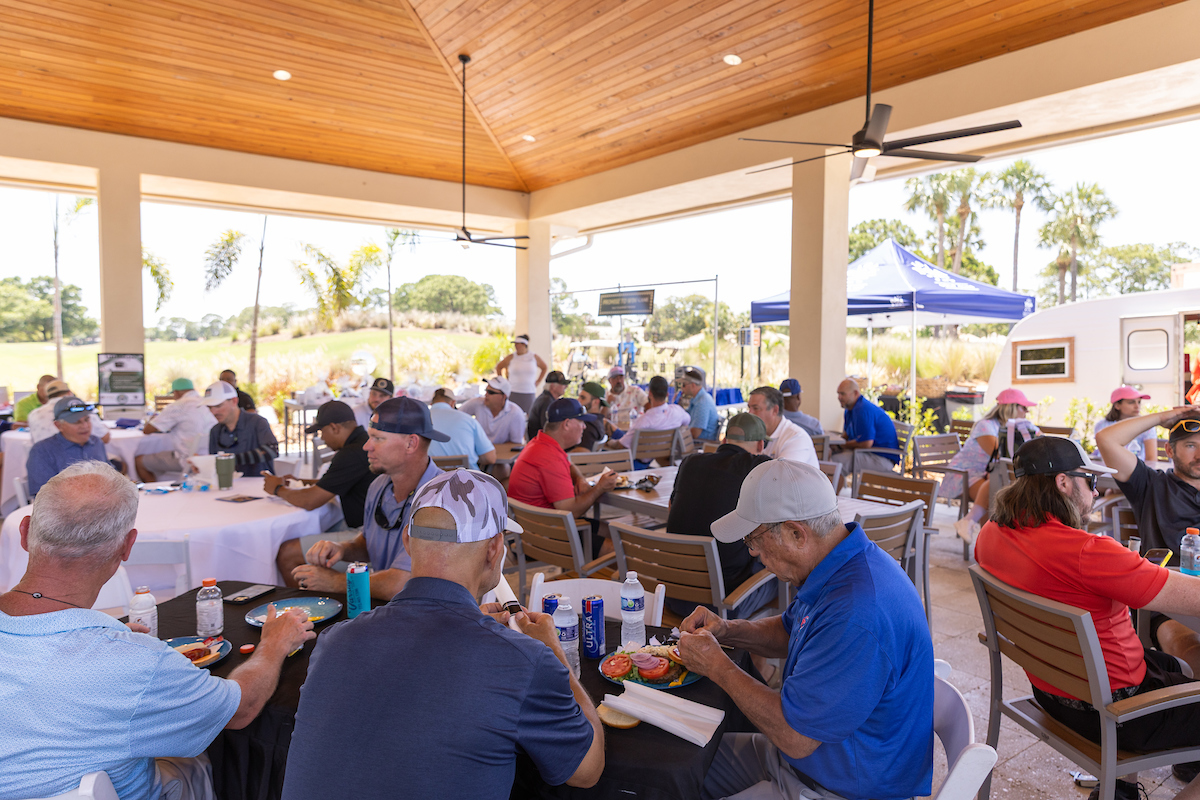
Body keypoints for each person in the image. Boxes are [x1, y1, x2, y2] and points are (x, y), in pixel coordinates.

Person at [0, 460, 314, 800]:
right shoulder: (135, 663)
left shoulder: (124, 656)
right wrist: (273, 645)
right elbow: (242, 709)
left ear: (25, 532)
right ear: (127, 546)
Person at [281, 469, 602, 800]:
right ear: (495, 548)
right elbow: (587, 771)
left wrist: (468, 624)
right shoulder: (526, 662)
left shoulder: (334, 641)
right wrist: (554, 653)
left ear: (407, 540)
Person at [679, 459, 933, 800]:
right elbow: (789, 630)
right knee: (678, 768)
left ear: (797, 534)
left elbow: (795, 737)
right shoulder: (841, 563)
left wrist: (717, 667)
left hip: (841, 787)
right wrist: (727, 629)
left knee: (680, 772)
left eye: (754, 539)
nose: (753, 553)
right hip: (807, 764)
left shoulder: (856, 612)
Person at [975, 435, 1200, 800]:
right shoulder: (1088, 553)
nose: (1096, 492)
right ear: (1063, 482)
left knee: (1177, 666)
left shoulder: (991, 533)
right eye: (1091, 481)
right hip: (1121, 714)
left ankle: (1121, 791)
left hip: (1053, 692)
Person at [292, 397, 446, 600]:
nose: (366, 446)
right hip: (383, 608)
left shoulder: (440, 500)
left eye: (378, 438)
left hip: (422, 613)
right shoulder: (379, 485)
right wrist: (342, 549)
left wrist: (335, 582)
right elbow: (369, 541)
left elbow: (400, 584)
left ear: (411, 443)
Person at [1097, 405, 1200, 689]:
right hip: (1169, 605)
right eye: (1190, 445)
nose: (1199, 455)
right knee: (1193, 652)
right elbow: (1107, 439)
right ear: (1169, 450)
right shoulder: (1152, 485)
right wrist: (1163, 417)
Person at [666, 413, 775, 620]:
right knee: (788, 575)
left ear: (724, 440)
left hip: (673, 596)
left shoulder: (690, 462)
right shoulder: (758, 465)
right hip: (724, 605)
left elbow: (671, 509)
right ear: (761, 444)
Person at [270, 401, 377, 585]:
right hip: (369, 528)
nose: (322, 438)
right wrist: (301, 481)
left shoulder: (351, 453)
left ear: (334, 427)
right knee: (318, 532)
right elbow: (332, 482)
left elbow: (310, 501)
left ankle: (307, 602)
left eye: (321, 432)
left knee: (287, 553)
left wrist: (277, 489)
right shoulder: (360, 443)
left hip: (366, 536)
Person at [944, 388, 1040, 544]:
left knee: (1002, 490)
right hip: (965, 473)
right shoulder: (985, 426)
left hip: (991, 472)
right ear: (1011, 407)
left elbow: (1038, 443)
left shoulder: (1019, 427)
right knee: (995, 495)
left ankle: (976, 528)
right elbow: (1002, 456)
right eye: (1023, 407)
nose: (1027, 411)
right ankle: (988, 543)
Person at [508, 398, 619, 515]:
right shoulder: (550, 458)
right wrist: (600, 488)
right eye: (581, 421)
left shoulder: (540, 443)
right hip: (547, 525)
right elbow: (571, 511)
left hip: (530, 522)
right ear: (566, 424)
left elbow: (568, 464)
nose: (584, 427)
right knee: (610, 527)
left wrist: (579, 478)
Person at [26, 396, 117, 497]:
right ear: (59, 425)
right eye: (76, 422)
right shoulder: (42, 451)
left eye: (87, 419)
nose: (85, 426)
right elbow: (42, 495)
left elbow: (110, 477)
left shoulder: (97, 442)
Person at [134, 378, 216, 482]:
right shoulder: (207, 403)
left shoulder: (178, 406)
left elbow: (147, 430)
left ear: (176, 392)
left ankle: (154, 490)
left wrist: (153, 419)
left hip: (187, 459)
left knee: (139, 461)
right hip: (209, 458)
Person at [204, 381, 277, 477]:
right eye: (209, 407)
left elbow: (272, 451)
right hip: (228, 484)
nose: (213, 412)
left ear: (234, 401)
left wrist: (231, 460)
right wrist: (202, 466)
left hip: (259, 484)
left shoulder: (257, 422)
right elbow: (215, 464)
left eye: (218, 406)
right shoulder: (215, 431)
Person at [613, 375, 692, 465]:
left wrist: (609, 443)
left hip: (638, 464)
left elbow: (622, 445)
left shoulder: (643, 421)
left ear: (650, 393)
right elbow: (687, 421)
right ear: (667, 394)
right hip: (663, 458)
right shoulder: (677, 411)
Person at [830, 378, 900, 476]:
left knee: (834, 463)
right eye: (838, 394)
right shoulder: (849, 409)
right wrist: (834, 445)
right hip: (868, 453)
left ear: (855, 393)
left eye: (843, 394)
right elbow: (846, 436)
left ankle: (832, 486)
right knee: (829, 455)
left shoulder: (863, 410)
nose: (839, 397)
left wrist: (841, 446)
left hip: (881, 458)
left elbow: (866, 443)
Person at [747, 386, 818, 469]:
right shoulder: (753, 434)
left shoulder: (796, 437)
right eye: (749, 408)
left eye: (756, 408)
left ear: (775, 410)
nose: (750, 413)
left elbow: (782, 474)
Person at [427, 389, 497, 471]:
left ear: (431, 404)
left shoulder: (420, 420)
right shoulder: (468, 420)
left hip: (432, 478)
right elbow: (490, 458)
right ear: (453, 403)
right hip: (467, 478)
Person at [28, 379, 110, 445]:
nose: (83, 425)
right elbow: (105, 438)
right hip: (78, 457)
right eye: (76, 422)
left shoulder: (33, 414)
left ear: (47, 397)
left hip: (43, 456)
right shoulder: (80, 409)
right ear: (69, 393)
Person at [1093, 386, 1157, 466]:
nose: (1137, 406)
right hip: (1108, 468)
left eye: (1139, 402)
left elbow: (1151, 459)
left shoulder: (1147, 426)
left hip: (1137, 470)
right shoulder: (1102, 425)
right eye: (1131, 402)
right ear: (1117, 405)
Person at [459, 376, 525, 444]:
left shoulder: (515, 413)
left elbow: (516, 444)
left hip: (502, 450)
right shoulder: (477, 403)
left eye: (490, 392)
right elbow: (456, 416)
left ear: (503, 396)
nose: (486, 394)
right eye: (486, 390)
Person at [495, 334, 548, 413]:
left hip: (529, 392)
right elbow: (499, 367)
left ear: (524, 345)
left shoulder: (533, 357)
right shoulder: (511, 357)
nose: (516, 346)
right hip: (513, 391)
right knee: (511, 413)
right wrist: (503, 382)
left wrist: (538, 381)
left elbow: (544, 367)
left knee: (528, 414)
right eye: (515, 344)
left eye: (518, 344)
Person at [527, 370, 569, 441]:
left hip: (537, 440)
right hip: (541, 442)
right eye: (563, 384)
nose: (566, 386)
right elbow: (548, 429)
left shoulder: (546, 398)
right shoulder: (547, 401)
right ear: (553, 386)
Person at [679, 368, 720, 441]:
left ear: (693, 385)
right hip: (697, 441)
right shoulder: (697, 399)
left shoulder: (702, 402)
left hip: (701, 443)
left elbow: (695, 433)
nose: (681, 388)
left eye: (684, 385)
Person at [575, 381, 609, 451]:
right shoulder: (599, 421)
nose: (578, 400)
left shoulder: (588, 426)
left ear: (596, 402)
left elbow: (582, 453)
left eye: (583, 398)